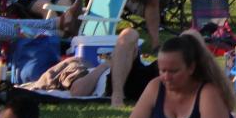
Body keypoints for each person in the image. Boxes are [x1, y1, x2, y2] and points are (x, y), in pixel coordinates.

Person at [26, 27, 159, 108]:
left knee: (129, 34)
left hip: (139, 77)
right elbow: (78, 92)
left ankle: (117, 95)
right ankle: (117, 97)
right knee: (129, 34)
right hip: (117, 83)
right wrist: (104, 66)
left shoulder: (79, 65)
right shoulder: (76, 68)